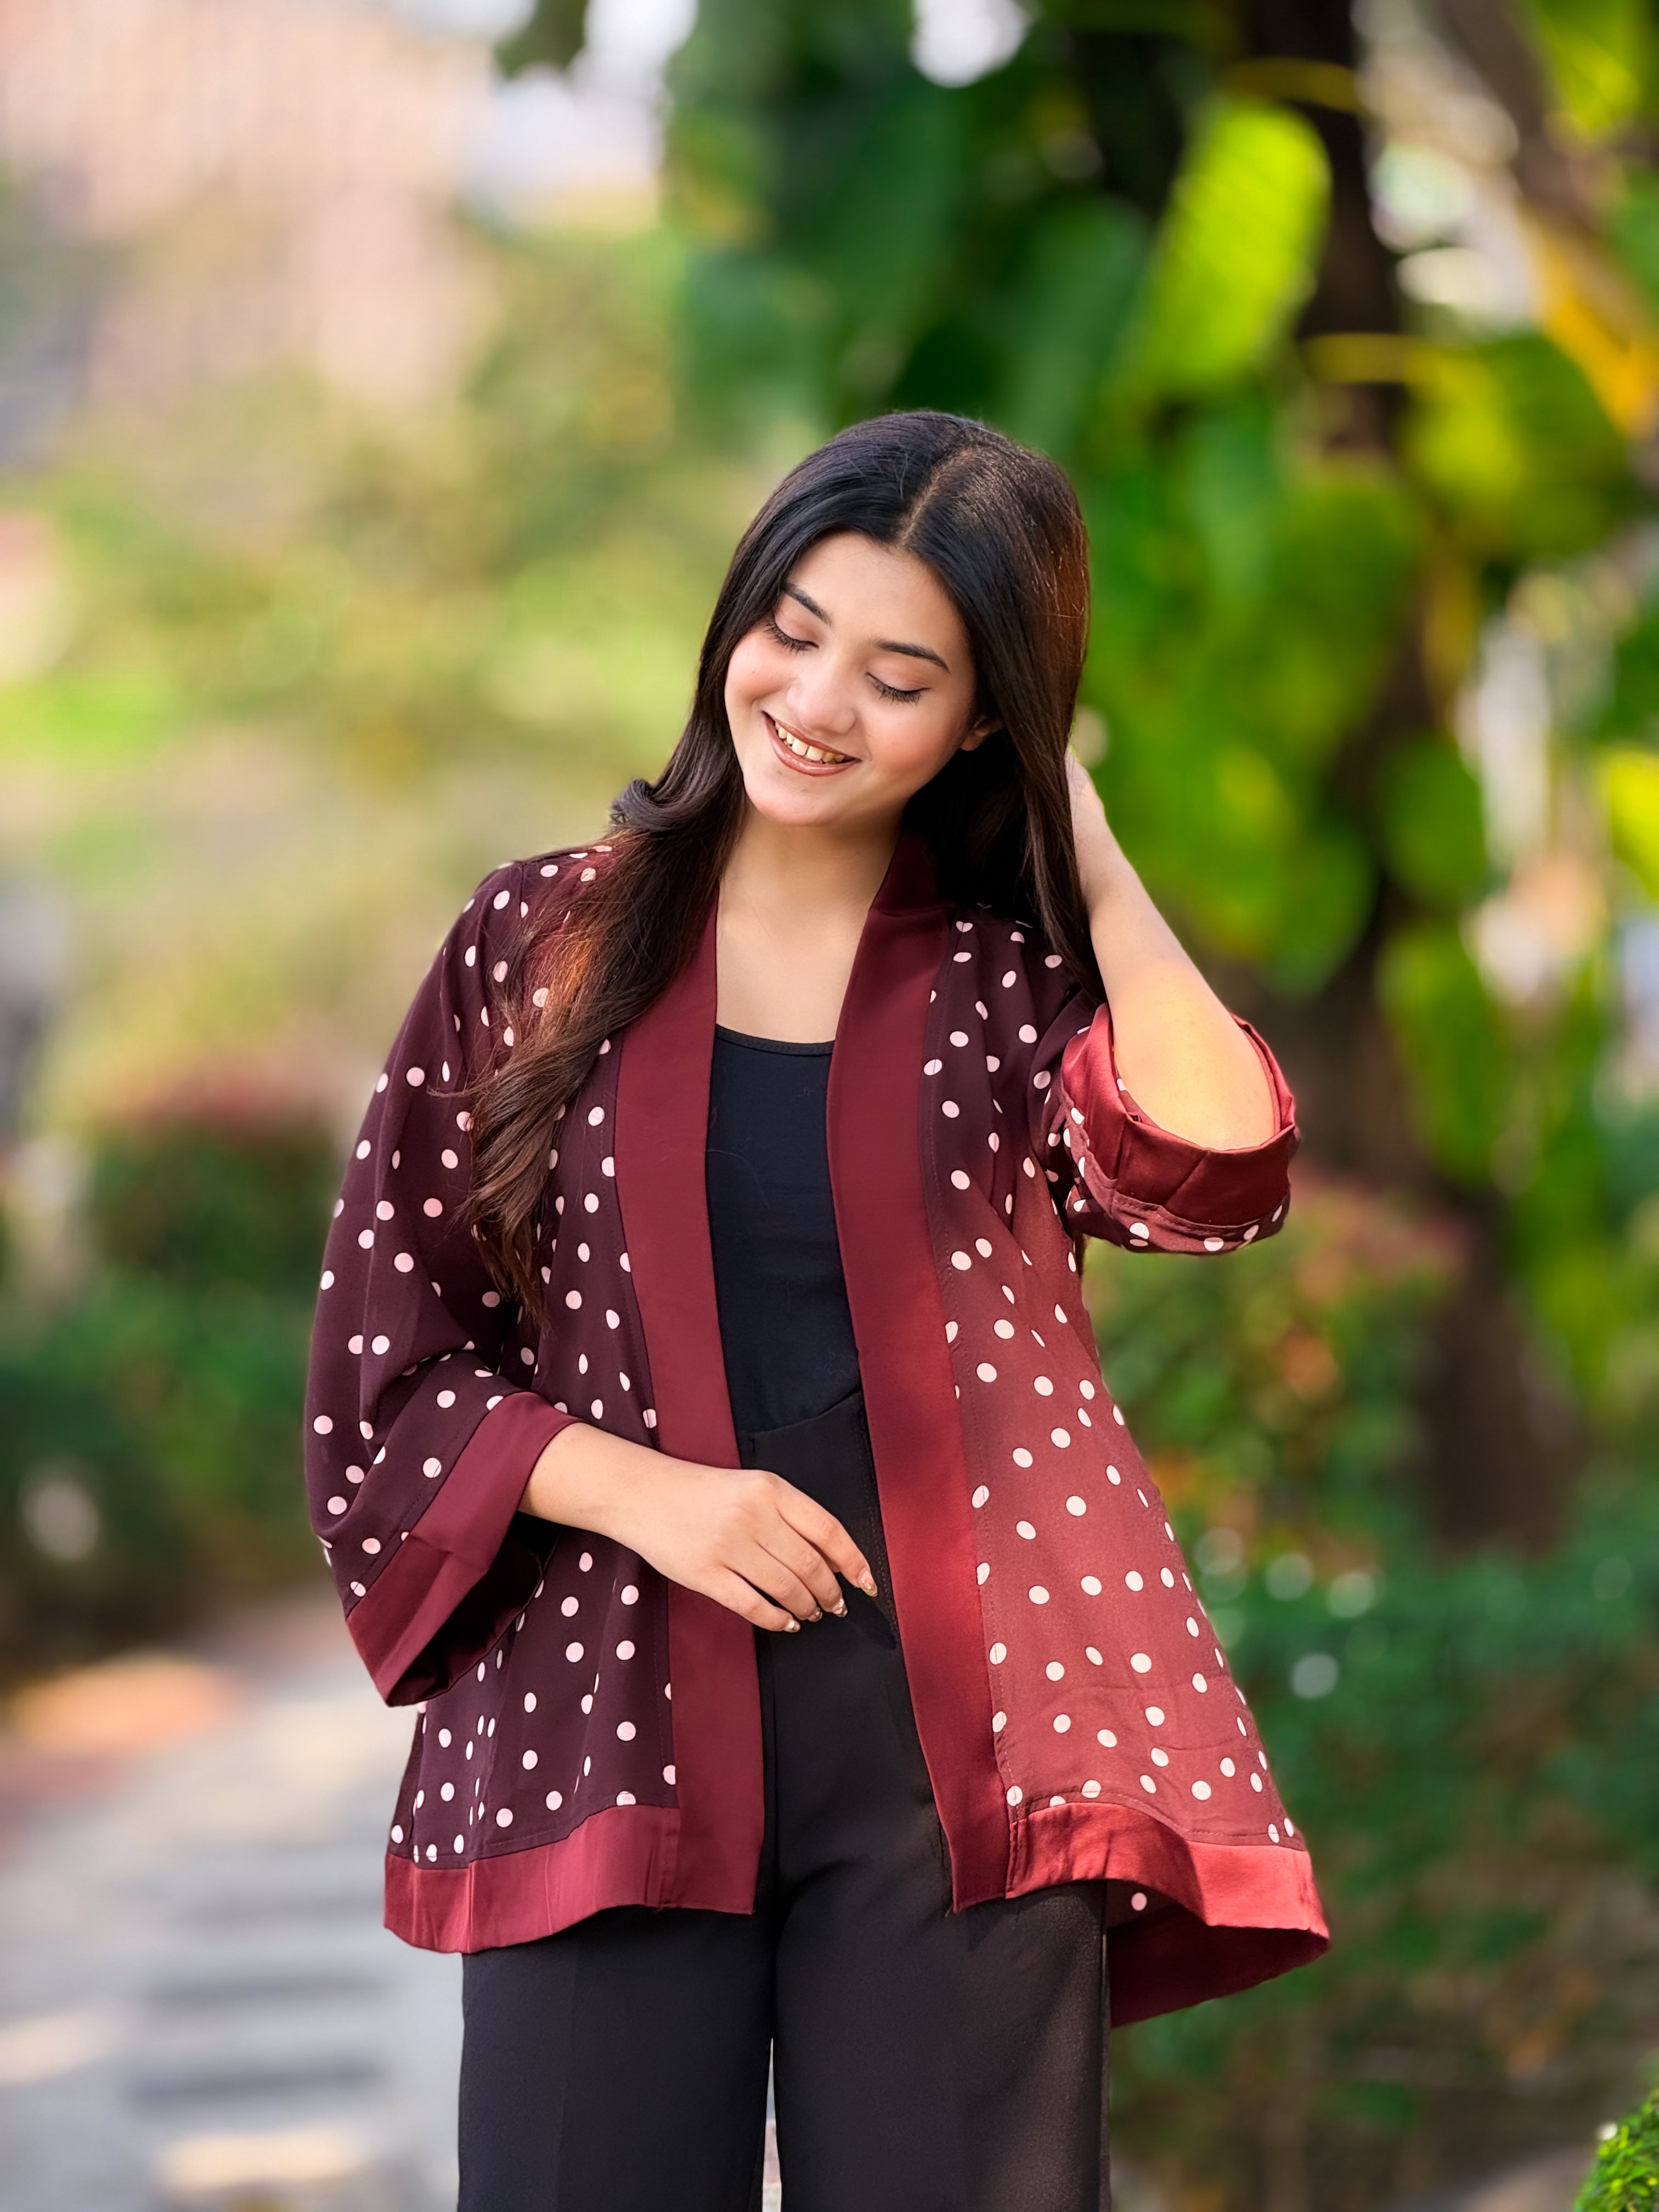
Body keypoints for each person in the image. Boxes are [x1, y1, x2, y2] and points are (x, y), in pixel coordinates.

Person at [304, 410, 1327, 2212]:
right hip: (606, 1703)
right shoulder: (535, 941)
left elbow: (1218, 1158)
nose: (819, 700)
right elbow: (391, 1369)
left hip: (962, 1734)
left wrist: (1087, 852)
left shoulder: (1015, 987)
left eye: (903, 673)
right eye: (791, 625)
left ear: (986, 720)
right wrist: (649, 1494)